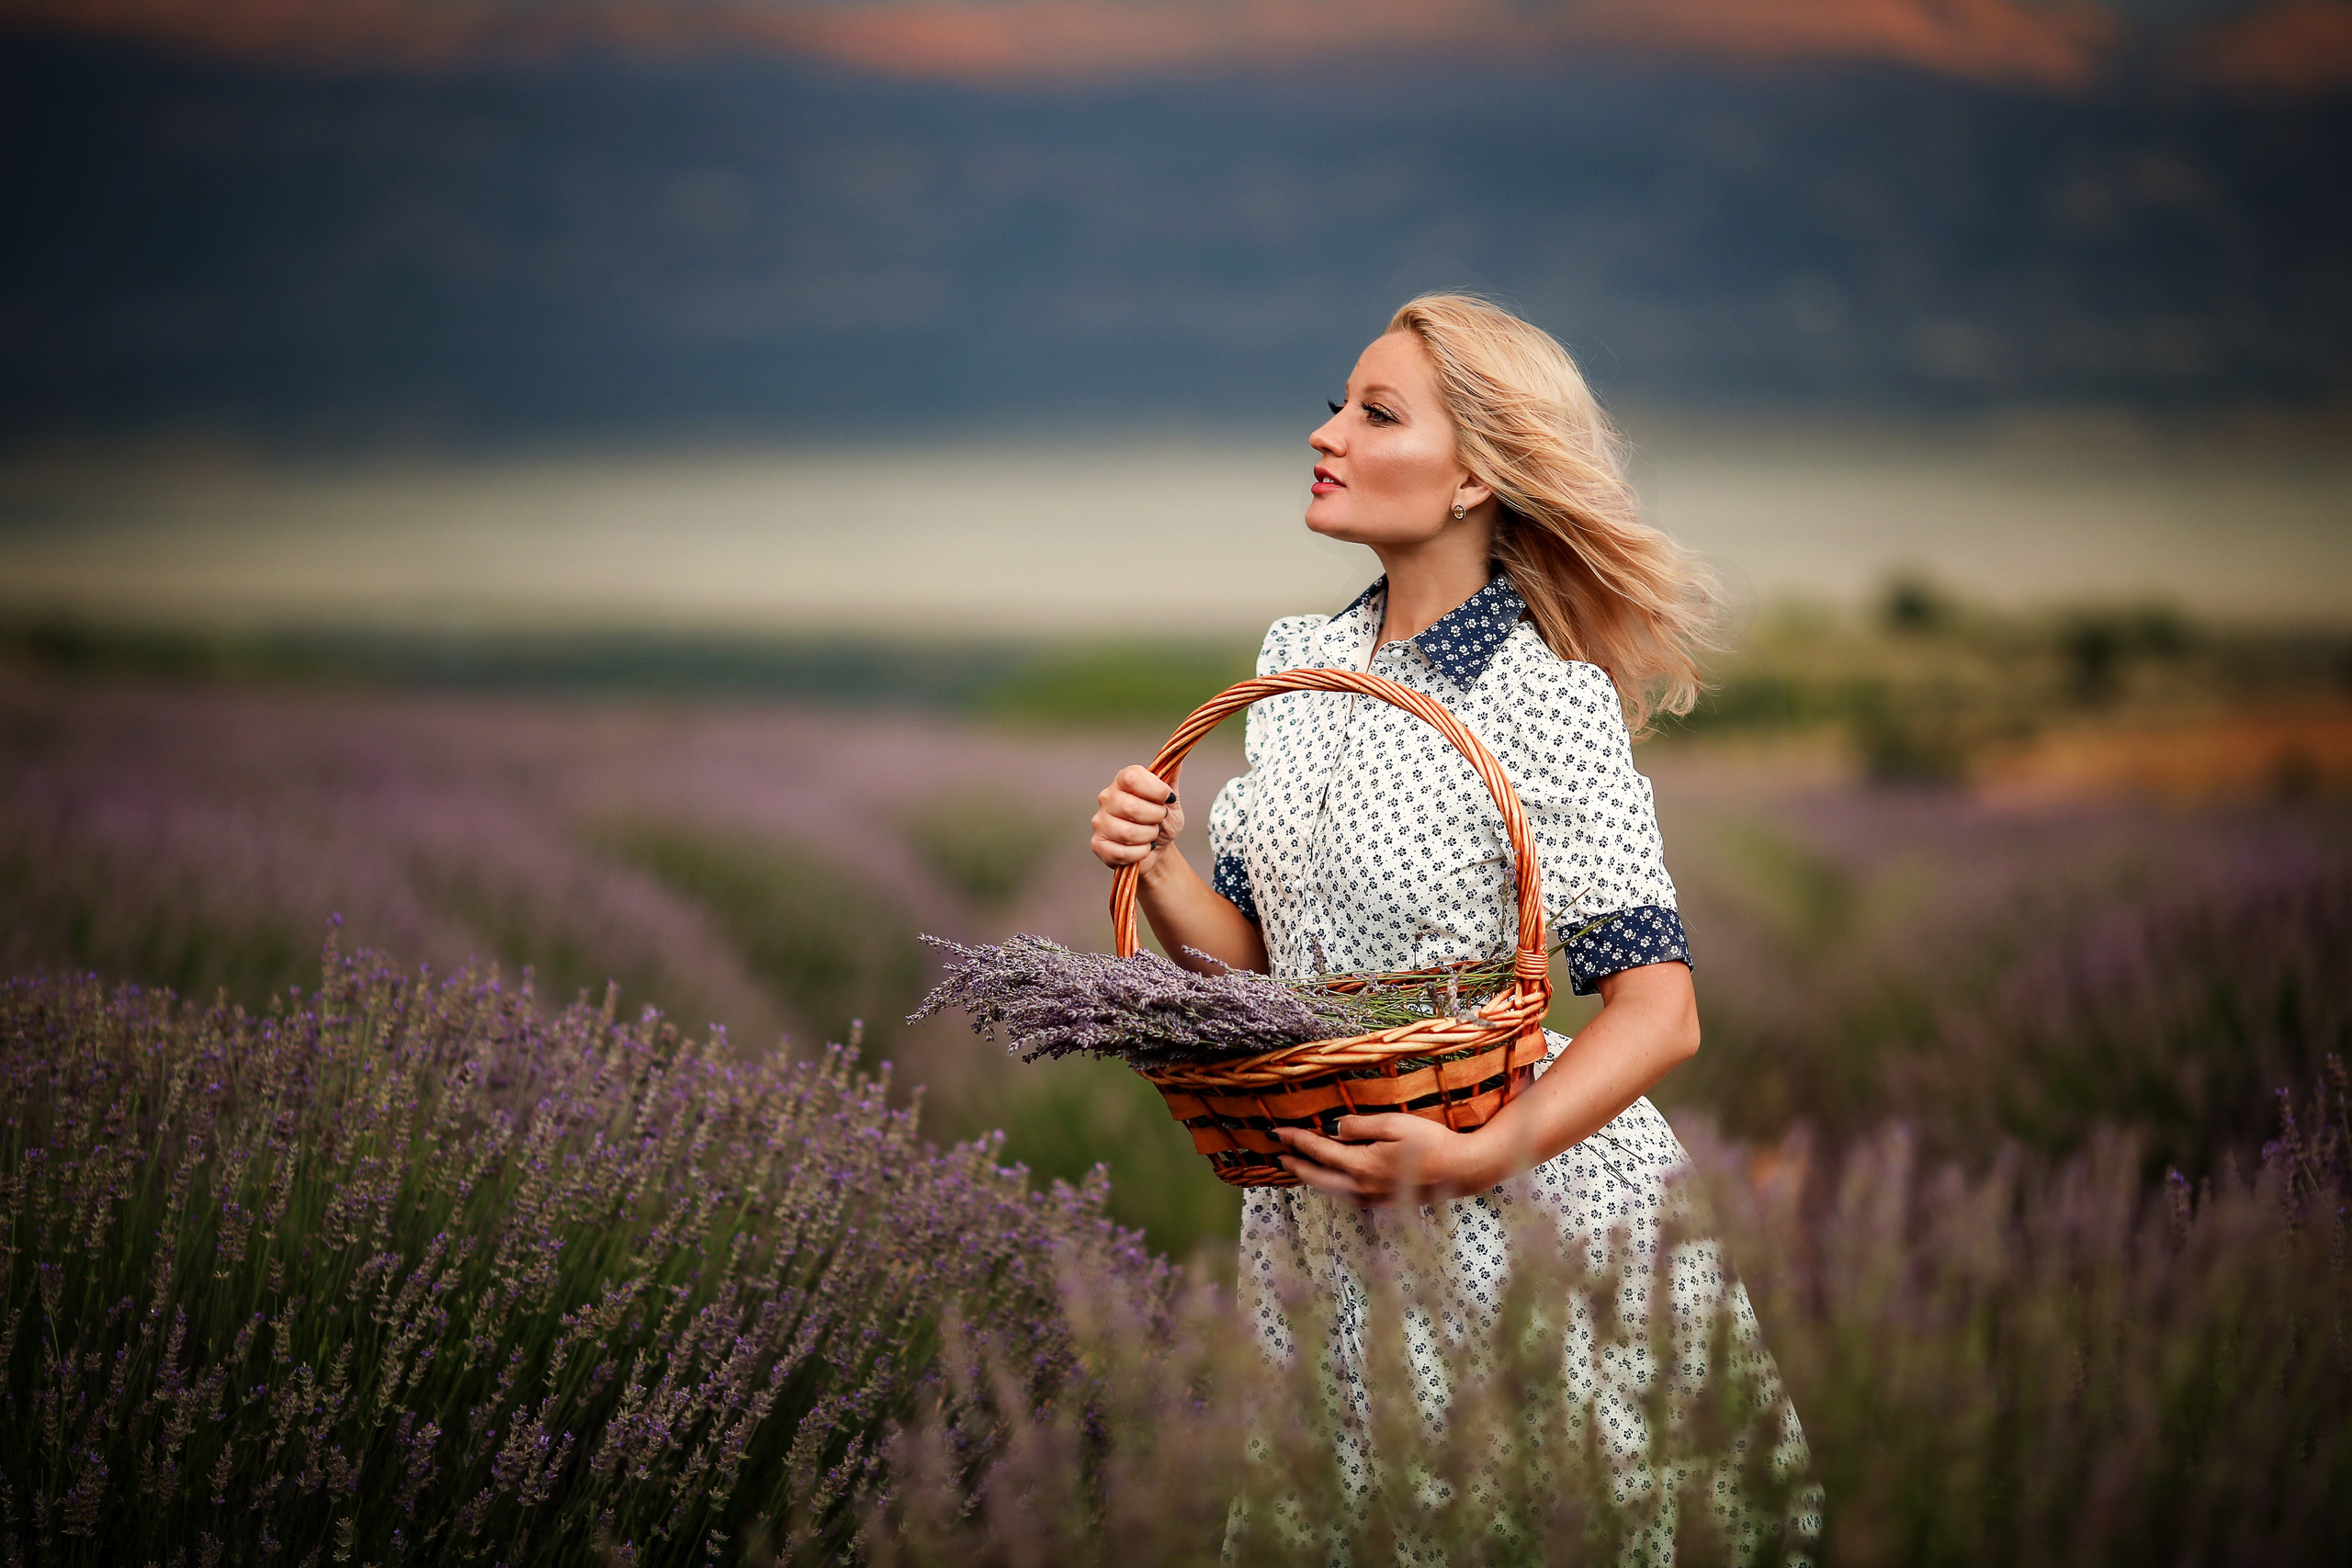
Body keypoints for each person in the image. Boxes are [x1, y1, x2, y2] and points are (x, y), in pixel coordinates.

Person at [1089, 294, 1815, 1560]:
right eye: (1337, 403)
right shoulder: (1297, 661)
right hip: (1321, 1211)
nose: (1327, 433)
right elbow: (1264, 968)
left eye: (1377, 413)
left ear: (1478, 472)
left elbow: (1660, 1012)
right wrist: (1157, 868)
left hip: (1523, 1217)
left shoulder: (1549, 699)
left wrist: (1478, 1159)